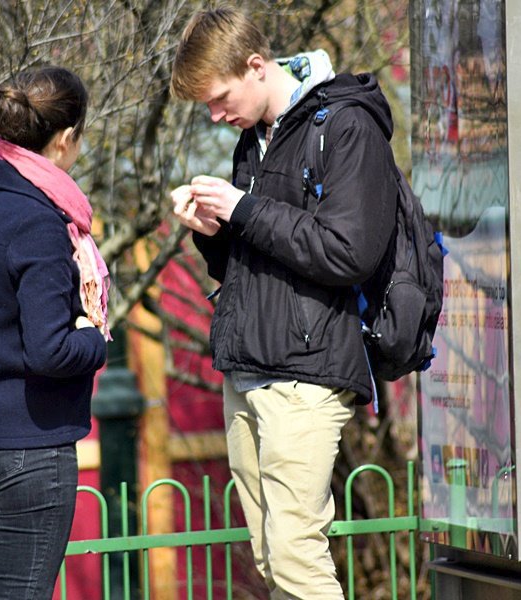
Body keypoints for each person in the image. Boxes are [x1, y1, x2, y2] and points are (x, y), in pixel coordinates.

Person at [169, 8, 398, 600]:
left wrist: (243, 209)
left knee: (296, 556)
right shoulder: (255, 139)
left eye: (219, 98)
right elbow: (256, 265)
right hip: (248, 367)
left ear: (255, 65)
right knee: (273, 560)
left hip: (306, 372)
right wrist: (212, 231)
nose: (217, 117)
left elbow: (350, 253)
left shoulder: (345, 125)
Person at [0, 66, 108, 599]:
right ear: (66, 138)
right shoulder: (38, 221)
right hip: (30, 445)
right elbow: (51, 350)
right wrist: (95, 338)